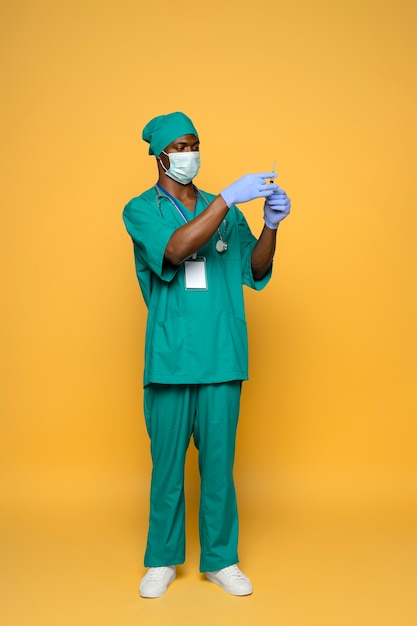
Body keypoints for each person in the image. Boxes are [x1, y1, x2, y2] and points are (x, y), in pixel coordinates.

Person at [122, 112, 290, 599]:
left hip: (221, 354)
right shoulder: (141, 210)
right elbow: (174, 251)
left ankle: (221, 559)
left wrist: (270, 226)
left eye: (194, 143)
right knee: (167, 466)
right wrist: (225, 200)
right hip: (172, 358)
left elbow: (251, 268)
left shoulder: (229, 212)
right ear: (160, 156)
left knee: (219, 466)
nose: (189, 152)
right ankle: (161, 561)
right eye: (179, 145)